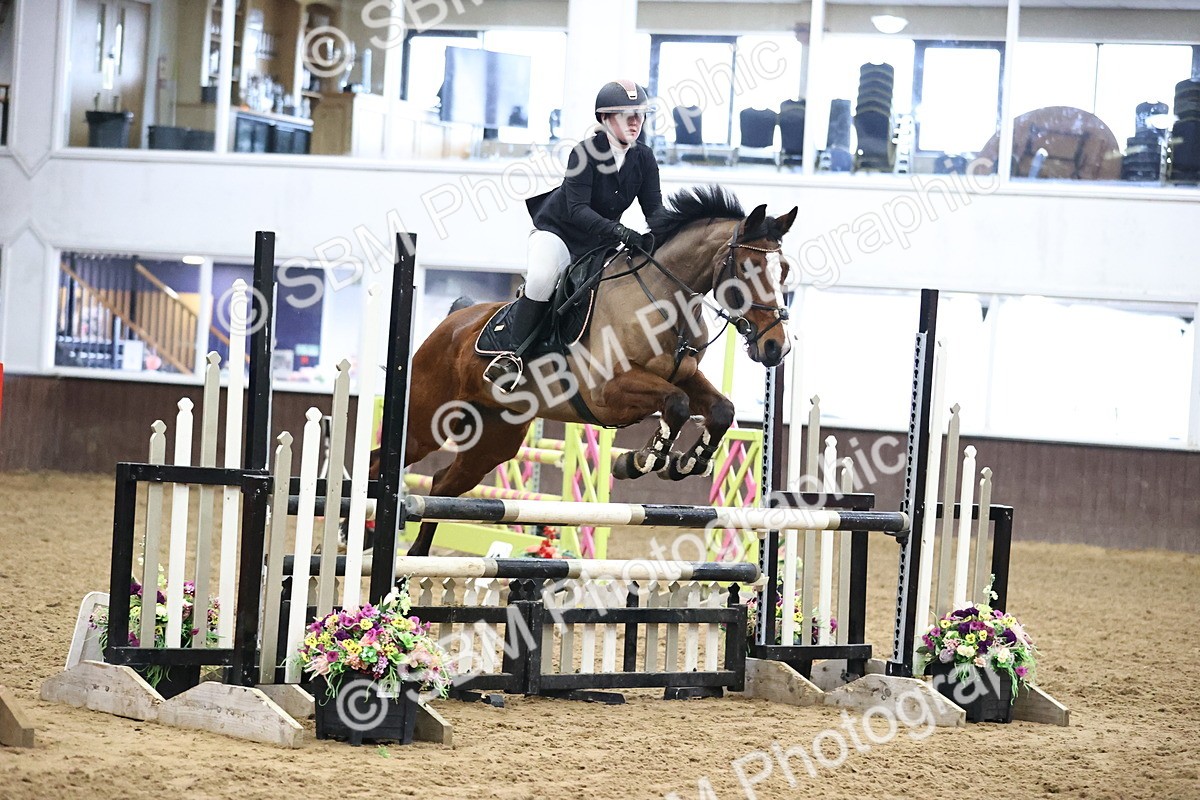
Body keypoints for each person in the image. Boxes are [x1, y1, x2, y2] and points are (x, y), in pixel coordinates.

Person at [483, 79, 664, 389]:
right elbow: (578, 210)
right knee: (541, 279)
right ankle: (511, 357)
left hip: (599, 246)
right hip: (559, 235)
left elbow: (655, 211)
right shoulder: (584, 153)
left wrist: (673, 233)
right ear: (606, 119)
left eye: (640, 115)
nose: (636, 122)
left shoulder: (644, 158)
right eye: (626, 115)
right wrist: (620, 230)